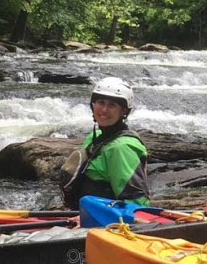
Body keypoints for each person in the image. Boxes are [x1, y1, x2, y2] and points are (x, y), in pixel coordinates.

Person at [60, 77, 150, 209]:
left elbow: (135, 203)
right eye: (101, 102)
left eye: (112, 105)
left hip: (107, 223)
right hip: (83, 215)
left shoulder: (121, 148)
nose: (104, 110)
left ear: (124, 111)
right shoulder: (95, 138)